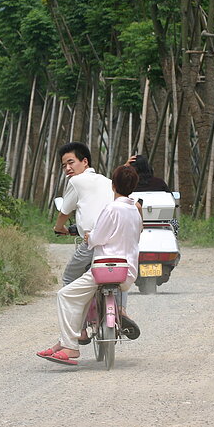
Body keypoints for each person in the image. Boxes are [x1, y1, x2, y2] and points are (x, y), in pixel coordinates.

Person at [37, 165, 143, 365]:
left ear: (113, 186)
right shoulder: (135, 211)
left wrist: (89, 236)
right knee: (81, 293)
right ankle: (65, 341)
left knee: (66, 294)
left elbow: (96, 239)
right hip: (127, 272)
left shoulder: (111, 209)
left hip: (104, 270)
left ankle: (70, 345)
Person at [54, 142, 113, 286]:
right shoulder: (108, 181)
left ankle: (74, 309)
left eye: (71, 162)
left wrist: (59, 228)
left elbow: (64, 212)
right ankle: (121, 308)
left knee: (69, 278)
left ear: (85, 161)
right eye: (64, 166)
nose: (67, 168)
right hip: (114, 241)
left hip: (92, 240)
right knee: (116, 278)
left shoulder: (75, 181)